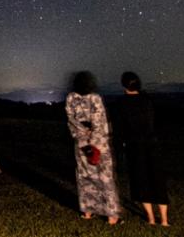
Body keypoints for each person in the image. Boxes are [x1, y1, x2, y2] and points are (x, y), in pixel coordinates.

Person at [65, 71, 121, 224]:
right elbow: (99, 121)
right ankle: (112, 216)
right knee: (105, 179)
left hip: (81, 145)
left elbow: (71, 120)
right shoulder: (95, 98)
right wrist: (94, 141)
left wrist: (81, 138)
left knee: (84, 177)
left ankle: (87, 212)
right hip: (99, 146)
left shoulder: (71, 98)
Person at [116, 71, 169, 226]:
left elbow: (119, 129)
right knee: (158, 181)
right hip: (152, 144)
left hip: (135, 146)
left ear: (124, 85)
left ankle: (151, 219)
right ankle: (164, 220)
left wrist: (119, 149)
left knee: (141, 182)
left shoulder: (121, 103)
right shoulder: (148, 100)